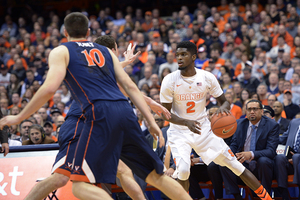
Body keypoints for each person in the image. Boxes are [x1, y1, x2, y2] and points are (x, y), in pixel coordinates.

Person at [15, 13, 188, 200]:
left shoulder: (66, 52)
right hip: (83, 123)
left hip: (98, 118)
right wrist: (150, 108)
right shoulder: (102, 55)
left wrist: (17, 117)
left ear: (64, 32)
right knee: (63, 177)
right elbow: (124, 85)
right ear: (88, 32)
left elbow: (55, 85)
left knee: (114, 175)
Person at [160, 41, 273, 199]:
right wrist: (186, 122)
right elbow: (164, 113)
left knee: (235, 165)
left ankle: (267, 198)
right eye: (177, 54)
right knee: (184, 171)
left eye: (183, 54)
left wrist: (223, 108)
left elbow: (224, 101)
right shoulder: (169, 80)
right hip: (179, 132)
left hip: (204, 130)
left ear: (193, 57)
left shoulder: (206, 77)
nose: (179, 58)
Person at [219, 100, 279, 199]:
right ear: (245, 112)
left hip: (261, 165)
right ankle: (237, 196)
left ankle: (265, 196)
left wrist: (251, 154)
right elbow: (234, 144)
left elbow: (271, 151)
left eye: (255, 109)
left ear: (261, 111)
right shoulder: (239, 124)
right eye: (249, 109)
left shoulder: (271, 125)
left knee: (264, 161)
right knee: (225, 162)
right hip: (243, 164)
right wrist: (227, 154)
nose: (252, 112)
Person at [275, 117, 300, 200]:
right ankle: (284, 194)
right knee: (279, 158)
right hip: (288, 161)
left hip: (298, 161)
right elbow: (282, 138)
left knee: (297, 157)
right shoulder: (294, 122)